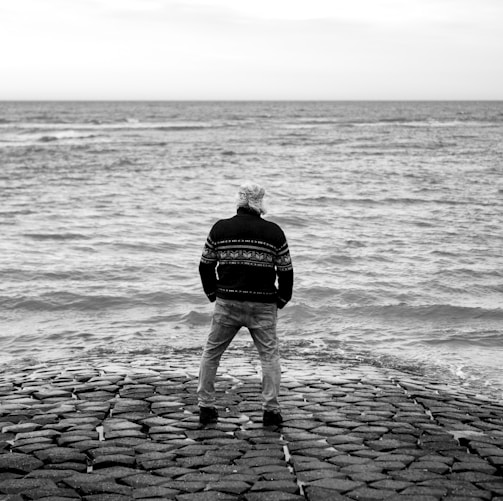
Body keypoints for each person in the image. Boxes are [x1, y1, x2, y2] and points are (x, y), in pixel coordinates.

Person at [197, 182, 294, 426]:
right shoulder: (274, 232)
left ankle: (206, 407)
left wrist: (213, 294)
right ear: (260, 202)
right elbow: (286, 271)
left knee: (211, 354)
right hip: (262, 305)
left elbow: (205, 265)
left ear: (239, 200)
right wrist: (281, 300)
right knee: (269, 356)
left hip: (227, 303)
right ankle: (271, 410)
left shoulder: (220, 229)